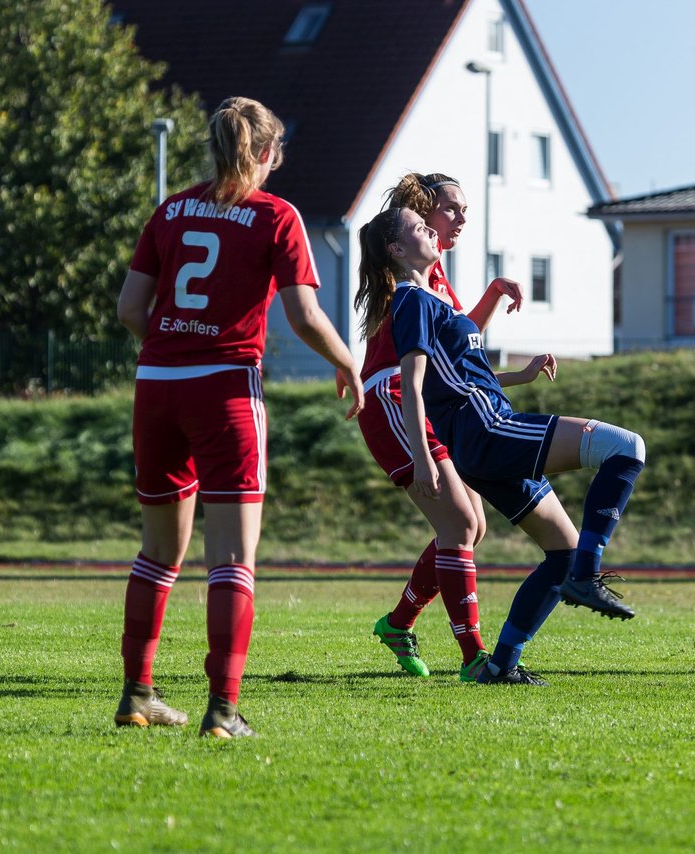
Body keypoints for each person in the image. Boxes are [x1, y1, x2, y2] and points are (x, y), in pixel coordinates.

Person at [112, 97, 364, 737]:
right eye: (276, 152)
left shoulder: (170, 210)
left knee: (157, 554)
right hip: (223, 387)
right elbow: (304, 314)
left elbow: (128, 309)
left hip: (157, 384)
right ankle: (223, 709)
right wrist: (347, 362)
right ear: (262, 152)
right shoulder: (275, 215)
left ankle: (138, 695)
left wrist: (174, 346)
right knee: (231, 558)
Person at [355, 206, 646, 685]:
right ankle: (586, 577)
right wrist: (425, 458)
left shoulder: (434, 300)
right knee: (625, 447)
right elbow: (413, 382)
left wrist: (521, 376)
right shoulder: (411, 300)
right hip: (489, 429)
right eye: (418, 225)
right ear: (397, 249)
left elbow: (460, 378)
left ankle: (500, 664)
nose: (432, 227)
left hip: (485, 428)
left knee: (563, 549)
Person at [358, 173, 546, 682]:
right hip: (398, 397)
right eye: (449, 211)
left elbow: (460, 355)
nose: (459, 220)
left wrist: (516, 375)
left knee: (472, 527)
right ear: (421, 217)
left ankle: (399, 624)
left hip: (427, 400)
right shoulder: (410, 281)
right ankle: (473, 657)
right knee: (461, 525)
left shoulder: (431, 276)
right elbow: (418, 369)